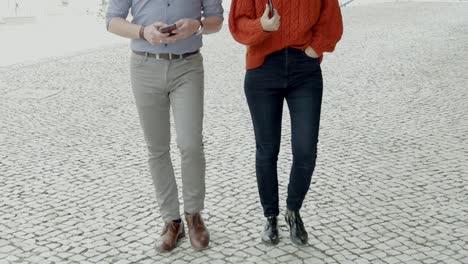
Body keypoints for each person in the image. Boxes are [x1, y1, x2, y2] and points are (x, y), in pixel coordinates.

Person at [106, 0, 223, 252]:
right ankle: (171, 221)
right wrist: (142, 31)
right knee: (157, 147)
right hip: (144, 66)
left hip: (187, 66)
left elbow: (216, 20)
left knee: (191, 144)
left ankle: (194, 216)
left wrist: (198, 25)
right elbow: (112, 20)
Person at [229, 0, 343, 245]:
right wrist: (262, 26)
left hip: (305, 69)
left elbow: (331, 21)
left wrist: (315, 49)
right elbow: (238, 25)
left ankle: (294, 210)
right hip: (263, 69)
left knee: (305, 150)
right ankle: (270, 216)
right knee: (267, 149)